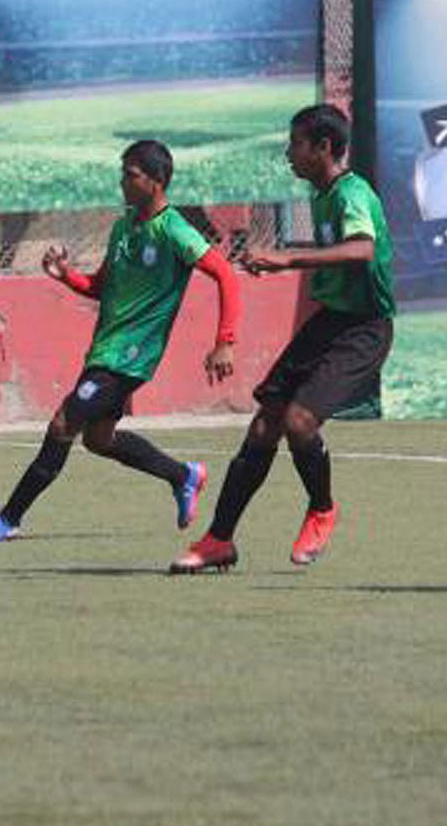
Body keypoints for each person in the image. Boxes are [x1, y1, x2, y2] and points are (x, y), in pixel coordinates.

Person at [0, 140, 240, 543]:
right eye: (123, 174)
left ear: (157, 181)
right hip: (105, 350)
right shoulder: (124, 226)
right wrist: (65, 275)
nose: (123, 182)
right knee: (98, 439)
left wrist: (225, 341)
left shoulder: (175, 230)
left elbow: (225, 274)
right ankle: (184, 476)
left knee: (63, 424)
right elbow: (102, 287)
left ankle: (8, 518)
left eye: (132, 175)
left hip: (130, 357)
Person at [169, 104, 394, 574]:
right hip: (330, 321)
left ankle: (322, 508)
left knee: (299, 420)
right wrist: (283, 256)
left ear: (323, 147)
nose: (288, 153)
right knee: (265, 424)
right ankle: (218, 540)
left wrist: (289, 259)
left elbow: (363, 248)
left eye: (295, 143)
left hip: (364, 329)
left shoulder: (352, 192)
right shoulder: (321, 192)